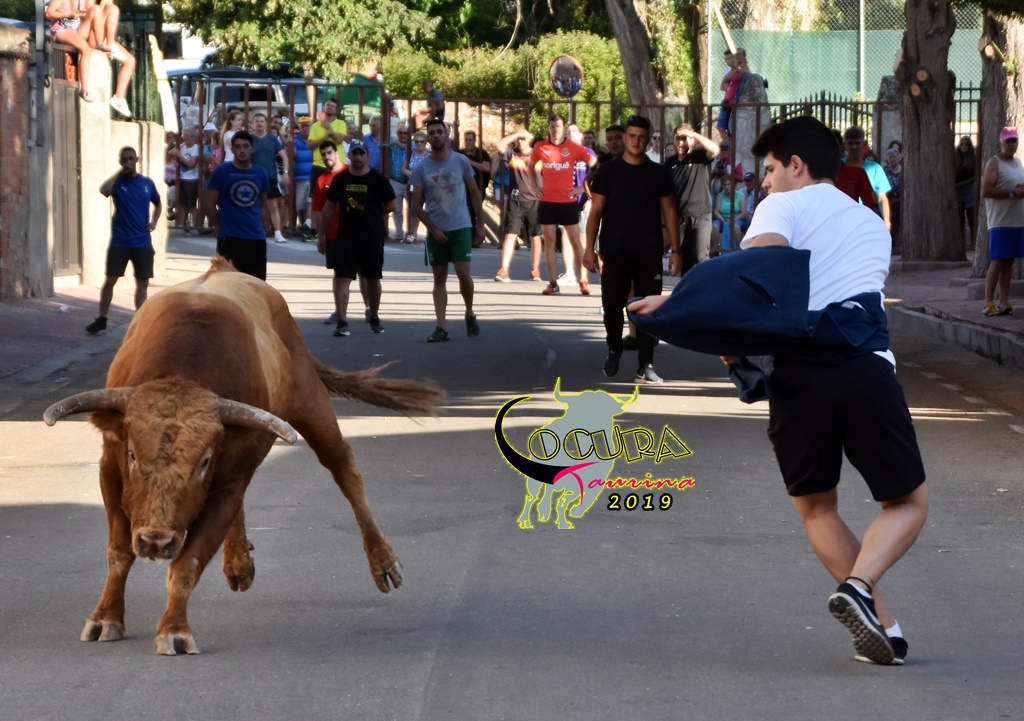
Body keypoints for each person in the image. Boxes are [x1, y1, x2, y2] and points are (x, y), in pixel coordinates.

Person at [633, 115, 928, 666]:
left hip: (800, 377)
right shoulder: (871, 225)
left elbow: (754, 281)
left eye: (769, 169)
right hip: (865, 369)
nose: (765, 181)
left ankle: (882, 621)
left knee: (817, 508)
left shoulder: (782, 206)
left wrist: (676, 306)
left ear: (796, 165)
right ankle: (865, 597)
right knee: (907, 503)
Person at [583, 114, 679, 384]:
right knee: (612, 305)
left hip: (649, 252)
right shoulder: (608, 171)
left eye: (641, 137)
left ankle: (645, 364)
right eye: (632, 136)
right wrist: (588, 249)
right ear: (625, 138)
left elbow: (670, 212)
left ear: (648, 140)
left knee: (648, 309)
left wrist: (676, 250)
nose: (636, 141)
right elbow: (595, 212)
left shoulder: (658, 173)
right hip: (614, 251)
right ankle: (614, 348)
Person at [411, 118, 484, 342]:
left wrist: (480, 225)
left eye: (439, 132)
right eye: (432, 132)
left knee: (463, 274)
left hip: (461, 226)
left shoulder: (460, 161)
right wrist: (432, 229)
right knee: (439, 277)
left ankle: (469, 312)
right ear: (427, 137)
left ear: (447, 134)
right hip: (437, 230)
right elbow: (417, 205)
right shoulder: (421, 168)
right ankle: (441, 327)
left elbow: (474, 193)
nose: (435, 135)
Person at [317, 139, 396, 336]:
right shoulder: (341, 179)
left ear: (367, 156)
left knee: (372, 278)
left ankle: (374, 315)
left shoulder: (378, 180)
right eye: (355, 154)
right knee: (342, 277)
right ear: (349, 156)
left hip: (371, 237)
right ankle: (342, 321)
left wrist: (374, 214)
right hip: (346, 237)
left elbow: (391, 204)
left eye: (362, 154)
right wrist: (321, 234)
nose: (358, 157)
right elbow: (329, 207)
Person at [85, 146, 162, 335]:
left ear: (137, 160)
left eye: (131, 158)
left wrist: (154, 221)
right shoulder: (117, 182)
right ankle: (102, 319)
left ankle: (139, 322)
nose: (128, 162)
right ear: (120, 162)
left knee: (142, 285)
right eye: (124, 159)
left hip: (142, 242)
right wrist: (120, 172)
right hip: (120, 241)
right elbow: (103, 190)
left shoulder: (147, 183)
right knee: (110, 280)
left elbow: (158, 203)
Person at [531, 113, 596, 296]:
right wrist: (534, 185)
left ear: (563, 128)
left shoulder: (573, 148)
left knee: (576, 242)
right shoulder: (541, 146)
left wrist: (582, 188)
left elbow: (594, 164)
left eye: (558, 127)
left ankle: (583, 280)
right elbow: (530, 165)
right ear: (549, 128)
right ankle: (553, 283)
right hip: (547, 202)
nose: (555, 130)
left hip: (567, 202)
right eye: (552, 127)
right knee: (550, 241)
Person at [206, 131, 270, 280]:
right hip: (229, 237)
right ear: (232, 149)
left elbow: (262, 203)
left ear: (252, 149)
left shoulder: (261, 173)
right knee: (227, 283)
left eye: (246, 146)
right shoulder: (221, 172)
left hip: (255, 237)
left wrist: (263, 228)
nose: (242, 150)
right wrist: (219, 226)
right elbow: (209, 204)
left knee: (256, 284)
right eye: (238, 147)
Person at [980, 126, 1024, 317]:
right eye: (1008, 141)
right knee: (997, 261)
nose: (1011, 145)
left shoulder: (1018, 163)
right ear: (1001, 143)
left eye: (1014, 141)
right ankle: (988, 303)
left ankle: (1004, 301)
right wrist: (1012, 192)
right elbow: (986, 191)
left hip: (1017, 220)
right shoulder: (994, 162)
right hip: (1000, 221)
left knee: (1009, 262)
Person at [666, 124, 719, 273]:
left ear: (692, 140)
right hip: (680, 217)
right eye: (678, 138)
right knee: (685, 261)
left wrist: (694, 135)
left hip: (701, 215)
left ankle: (705, 287)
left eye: (684, 138)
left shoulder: (698, 157)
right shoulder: (670, 163)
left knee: (701, 257)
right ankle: (688, 287)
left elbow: (715, 150)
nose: (680, 143)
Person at [493, 128, 543, 283]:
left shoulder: (538, 155)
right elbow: (499, 145)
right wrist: (517, 134)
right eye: (519, 139)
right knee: (510, 234)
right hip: (515, 200)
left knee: (535, 236)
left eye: (524, 138)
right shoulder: (512, 154)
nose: (521, 141)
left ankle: (535, 270)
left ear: (530, 139)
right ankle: (504, 270)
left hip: (535, 200)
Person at [310, 141, 348, 324]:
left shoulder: (350, 172)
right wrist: (321, 235)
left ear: (337, 153)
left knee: (364, 272)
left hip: (356, 232)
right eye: (323, 154)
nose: (327, 157)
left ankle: (370, 310)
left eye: (329, 153)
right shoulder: (321, 180)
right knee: (339, 274)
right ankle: (339, 312)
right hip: (333, 233)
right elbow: (318, 210)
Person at [250, 113, 290, 244]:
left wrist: (285, 172)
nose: (259, 123)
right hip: (253, 177)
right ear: (253, 123)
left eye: (261, 121)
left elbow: (284, 156)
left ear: (266, 123)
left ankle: (278, 233)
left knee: (273, 206)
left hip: (270, 176)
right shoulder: (249, 139)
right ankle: (253, 231)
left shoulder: (272, 139)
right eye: (257, 121)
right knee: (252, 205)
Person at [844, 127, 891, 229]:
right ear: (845, 145)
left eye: (857, 143)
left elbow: (882, 198)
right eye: (850, 143)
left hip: (867, 221)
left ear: (863, 144)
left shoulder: (875, 168)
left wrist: (886, 223)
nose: (854, 147)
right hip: (843, 220)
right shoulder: (838, 168)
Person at [168, 126, 200, 233]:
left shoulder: (195, 148)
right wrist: (176, 159)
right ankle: (181, 225)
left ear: (193, 137)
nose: (184, 137)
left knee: (192, 205)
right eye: (183, 135)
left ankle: (195, 227)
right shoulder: (182, 146)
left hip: (192, 180)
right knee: (182, 204)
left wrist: (180, 156)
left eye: (187, 135)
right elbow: (171, 152)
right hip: (182, 178)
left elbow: (191, 165)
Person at [403, 129, 431, 243]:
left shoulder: (430, 154)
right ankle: (414, 233)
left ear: (426, 142)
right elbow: (403, 168)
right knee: (415, 210)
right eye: (417, 142)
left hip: (428, 186)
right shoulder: (412, 153)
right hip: (414, 186)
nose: (419, 144)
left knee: (430, 210)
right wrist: (409, 173)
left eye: (422, 141)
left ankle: (431, 233)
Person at [387, 123, 411, 241]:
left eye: (405, 133)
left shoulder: (413, 145)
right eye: (400, 133)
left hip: (409, 181)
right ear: (397, 134)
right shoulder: (393, 145)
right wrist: (396, 143)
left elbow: (416, 151)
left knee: (413, 208)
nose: (403, 135)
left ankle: (411, 234)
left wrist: (401, 145)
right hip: (395, 180)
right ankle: (399, 234)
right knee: (396, 209)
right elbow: (382, 144)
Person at [292, 116, 314, 237]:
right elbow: (293, 155)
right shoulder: (296, 141)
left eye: (307, 126)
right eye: (302, 126)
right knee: (300, 205)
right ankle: (303, 225)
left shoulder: (314, 140)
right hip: (300, 177)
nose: (305, 128)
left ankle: (309, 224)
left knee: (310, 200)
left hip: (312, 176)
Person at [955, 136, 978, 250]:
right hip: (957, 193)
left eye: (966, 144)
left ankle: (974, 244)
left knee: (972, 219)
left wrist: (960, 184)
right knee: (959, 221)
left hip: (969, 191)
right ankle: (961, 245)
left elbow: (974, 177)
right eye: (962, 144)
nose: (964, 146)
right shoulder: (955, 159)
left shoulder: (973, 159)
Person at [712, 175, 746, 250]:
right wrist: (723, 220)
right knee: (714, 226)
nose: (727, 187)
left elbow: (743, 212)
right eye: (724, 185)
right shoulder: (719, 195)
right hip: (722, 218)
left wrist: (734, 220)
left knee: (736, 227)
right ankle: (714, 249)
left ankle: (738, 249)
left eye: (729, 184)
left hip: (736, 218)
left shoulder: (741, 195)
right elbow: (716, 211)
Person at [883, 148, 903, 251]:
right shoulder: (885, 171)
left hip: (901, 201)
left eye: (894, 157)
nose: (892, 159)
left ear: (899, 158)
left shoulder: (903, 170)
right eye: (890, 157)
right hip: (889, 201)